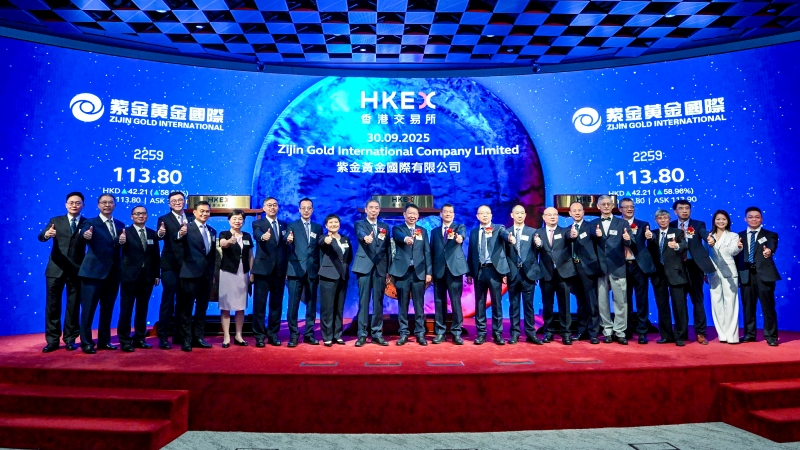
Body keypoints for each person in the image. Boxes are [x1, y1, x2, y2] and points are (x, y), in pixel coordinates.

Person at [38, 191, 87, 353]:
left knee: (73, 306)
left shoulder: (87, 223)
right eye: (71, 202)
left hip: (76, 270)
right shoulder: (55, 221)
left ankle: (70, 339)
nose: (74, 205)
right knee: (52, 306)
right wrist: (47, 234)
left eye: (78, 203)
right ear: (66, 205)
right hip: (55, 269)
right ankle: (52, 340)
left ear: (83, 205)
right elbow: (41, 236)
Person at [78, 194, 125, 354]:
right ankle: (86, 342)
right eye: (104, 202)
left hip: (113, 274)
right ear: (98, 205)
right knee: (88, 310)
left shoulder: (120, 225)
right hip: (93, 273)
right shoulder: (90, 223)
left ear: (115, 205)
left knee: (107, 310)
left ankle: (104, 341)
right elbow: (84, 233)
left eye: (110, 202)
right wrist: (85, 234)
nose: (107, 205)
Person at [671, 200, 716, 345]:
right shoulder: (671, 226)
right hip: (677, 268)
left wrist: (709, 238)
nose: (684, 211)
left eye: (687, 208)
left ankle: (700, 333)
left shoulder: (698, 224)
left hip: (694, 267)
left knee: (697, 300)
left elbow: (704, 234)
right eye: (681, 208)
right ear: (675, 211)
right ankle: (681, 333)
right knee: (679, 302)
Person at [590, 195, 633, 345]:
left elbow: (631, 241)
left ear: (613, 206)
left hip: (618, 266)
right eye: (603, 204)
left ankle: (620, 331)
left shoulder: (622, 223)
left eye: (609, 204)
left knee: (621, 301)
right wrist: (595, 236)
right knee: (602, 302)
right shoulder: (593, 224)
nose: (606, 206)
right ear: (598, 206)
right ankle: (607, 331)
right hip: (600, 268)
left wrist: (627, 239)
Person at [118, 205, 160, 352]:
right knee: (126, 309)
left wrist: (157, 274)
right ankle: (124, 340)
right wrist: (119, 241)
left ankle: (140, 338)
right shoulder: (124, 232)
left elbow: (156, 255)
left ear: (147, 216)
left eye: (143, 213)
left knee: (142, 309)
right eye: (137, 214)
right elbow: (117, 246)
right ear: (132, 217)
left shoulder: (152, 233)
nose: (140, 216)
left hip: (147, 277)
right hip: (129, 277)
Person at [736, 207, 781, 346]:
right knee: (748, 307)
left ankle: (771, 336)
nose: (754, 219)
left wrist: (769, 251)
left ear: (762, 219)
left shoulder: (770, 234)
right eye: (750, 217)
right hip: (746, 275)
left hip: (764, 276)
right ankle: (749, 334)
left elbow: (771, 245)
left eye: (757, 217)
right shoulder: (738, 236)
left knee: (768, 307)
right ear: (745, 219)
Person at [389, 203, 432, 346]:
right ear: (404, 215)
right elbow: (398, 237)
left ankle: (420, 333)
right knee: (403, 305)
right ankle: (403, 333)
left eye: (415, 214)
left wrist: (429, 272)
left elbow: (427, 252)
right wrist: (406, 239)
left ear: (418, 216)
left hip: (419, 272)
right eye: (410, 213)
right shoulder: (398, 229)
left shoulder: (423, 231)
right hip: (402, 272)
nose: (412, 216)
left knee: (419, 304)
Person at [467, 205, 510, 345]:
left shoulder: (499, 228)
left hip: (494, 270)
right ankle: (481, 333)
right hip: (479, 270)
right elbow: (471, 252)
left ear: (491, 215)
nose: (485, 215)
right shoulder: (474, 232)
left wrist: (509, 237)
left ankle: (497, 334)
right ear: (477, 216)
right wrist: (469, 272)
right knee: (479, 303)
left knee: (496, 303)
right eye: (482, 213)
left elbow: (505, 235)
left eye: (487, 213)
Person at [176, 201, 216, 352]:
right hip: (190, 274)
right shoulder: (187, 228)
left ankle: (198, 337)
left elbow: (211, 256)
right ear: (194, 212)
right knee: (186, 308)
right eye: (202, 211)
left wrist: (212, 274)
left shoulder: (212, 230)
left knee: (202, 308)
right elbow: (176, 240)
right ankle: (186, 339)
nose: (205, 214)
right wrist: (180, 233)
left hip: (206, 276)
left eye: (207, 211)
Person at [533, 207, 575, 345]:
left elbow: (570, 237)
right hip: (546, 274)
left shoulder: (565, 231)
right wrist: (537, 245)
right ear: (544, 217)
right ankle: (548, 332)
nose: (552, 217)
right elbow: (534, 253)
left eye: (555, 215)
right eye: (549, 215)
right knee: (547, 305)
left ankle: (566, 334)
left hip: (563, 274)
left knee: (565, 305)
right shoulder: (538, 233)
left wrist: (573, 234)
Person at [647, 209, 689, 347]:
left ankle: (680, 336)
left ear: (669, 219)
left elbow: (685, 245)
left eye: (665, 218)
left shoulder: (677, 232)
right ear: (656, 220)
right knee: (662, 306)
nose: (663, 220)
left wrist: (677, 246)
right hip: (658, 275)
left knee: (679, 306)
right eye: (660, 218)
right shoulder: (652, 234)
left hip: (676, 274)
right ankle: (666, 335)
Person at [352, 199, 391, 347]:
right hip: (364, 267)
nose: (373, 210)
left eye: (376, 208)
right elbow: (360, 232)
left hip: (380, 268)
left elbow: (387, 249)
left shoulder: (384, 227)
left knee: (378, 302)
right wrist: (365, 237)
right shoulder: (360, 224)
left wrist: (388, 270)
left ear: (379, 210)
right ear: (366, 210)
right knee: (364, 302)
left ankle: (377, 334)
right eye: (371, 208)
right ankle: (362, 334)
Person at [251, 197, 289, 347]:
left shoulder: (284, 225)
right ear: (264, 208)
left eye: (275, 205)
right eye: (269, 205)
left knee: (276, 305)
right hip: (263, 271)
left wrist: (289, 240)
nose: (272, 207)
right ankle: (259, 336)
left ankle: (273, 334)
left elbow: (285, 247)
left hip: (279, 271)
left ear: (278, 207)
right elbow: (257, 234)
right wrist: (263, 236)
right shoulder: (258, 223)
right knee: (259, 305)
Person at [618, 198, 656, 344]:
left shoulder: (643, 224)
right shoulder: (616, 224)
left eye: (631, 206)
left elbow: (648, 239)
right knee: (624, 300)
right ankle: (626, 330)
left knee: (642, 300)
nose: (629, 209)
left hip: (639, 266)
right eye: (626, 207)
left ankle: (642, 331)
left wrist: (651, 237)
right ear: (620, 209)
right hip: (622, 266)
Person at [286, 198, 322, 347]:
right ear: (299, 210)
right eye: (303, 208)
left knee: (311, 304)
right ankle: (294, 335)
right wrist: (288, 239)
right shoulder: (292, 225)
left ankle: (309, 334)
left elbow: (319, 249)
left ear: (312, 210)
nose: (306, 210)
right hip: (296, 270)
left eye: (309, 208)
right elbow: (286, 239)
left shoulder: (317, 228)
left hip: (312, 270)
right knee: (293, 304)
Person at [430, 203, 468, 345]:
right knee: (439, 302)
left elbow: (461, 235)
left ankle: (456, 332)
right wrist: (430, 272)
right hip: (439, 271)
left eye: (450, 212)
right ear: (441, 214)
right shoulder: (434, 232)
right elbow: (431, 252)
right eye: (445, 212)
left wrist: (460, 238)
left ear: (453, 214)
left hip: (454, 270)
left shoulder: (459, 227)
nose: (447, 214)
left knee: (455, 301)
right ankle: (440, 332)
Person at [156, 191, 189, 349]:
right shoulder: (164, 219)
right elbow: (160, 235)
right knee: (168, 301)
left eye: (180, 200)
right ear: (169, 203)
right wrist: (166, 233)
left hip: (188, 267)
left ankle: (180, 335)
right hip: (170, 266)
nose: (177, 202)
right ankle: (163, 336)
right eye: (174, 200)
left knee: (184, 302)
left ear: (184, 201)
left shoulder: (191, 218)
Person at [505, 205, 542, 345]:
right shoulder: (506, 233)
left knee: (529, 305)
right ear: (512, 215)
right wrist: (504, 273)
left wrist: (539, 244)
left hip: (528, 274)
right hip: (513, 274)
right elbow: (504, 255)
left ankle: (531, 333)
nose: (520, 215)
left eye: (522, 213)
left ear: (525, 215)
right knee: (514, 305)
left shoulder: (533, 232)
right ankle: (514, 333)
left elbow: (538, 249)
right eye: (517, 213)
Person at [218, 209, 254, 348]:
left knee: (240, 306)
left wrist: (252, 273)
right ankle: (226, 337)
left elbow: (250, 255)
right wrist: (229, 241)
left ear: (243, 221)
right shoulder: (224, 234)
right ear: (229, 220)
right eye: (234, 219)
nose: (237, 221)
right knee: (226, 306)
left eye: (240, 219)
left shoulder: (247, 236)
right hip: (227, 272)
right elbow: (222, 243)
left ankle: (239, 335)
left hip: (242, 273)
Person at [568, 202, 602, 344]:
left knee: (591, 301)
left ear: (583, 212)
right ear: (570, 213)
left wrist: (598, 234)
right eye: (574, 211)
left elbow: (595, 234)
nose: (577, 213)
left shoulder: (590, 226)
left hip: (588, 268)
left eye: (579, 210)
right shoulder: (568, 229)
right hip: (573, 269)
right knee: (580, 302)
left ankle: (593, 333)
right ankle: (582, 332)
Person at [706, 210, 742, 344]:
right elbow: (706, 255)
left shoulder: (733, 235)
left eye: (724, 219)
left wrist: (738, 247)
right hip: (713, 272)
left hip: (729, 271)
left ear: (728, 221)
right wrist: (705, 272)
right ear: (714, 221)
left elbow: (733, 251)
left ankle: (732, 335)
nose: (721, 221)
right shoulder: (709, 236)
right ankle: (722, 334)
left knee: (731, 301)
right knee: (716, 302)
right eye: (718, 219)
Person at [318, 214, 352, 347]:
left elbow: (349, 257)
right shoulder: (324, 237)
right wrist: (327, 240)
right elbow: (322, 242)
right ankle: (327, 336)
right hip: (328, 276)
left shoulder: (345, 239)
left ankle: (337, 335)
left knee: (339, 307)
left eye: (336, 222)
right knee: (327, 307)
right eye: (331, 223)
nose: (334, 224)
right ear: (326, 226)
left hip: (343, 276)